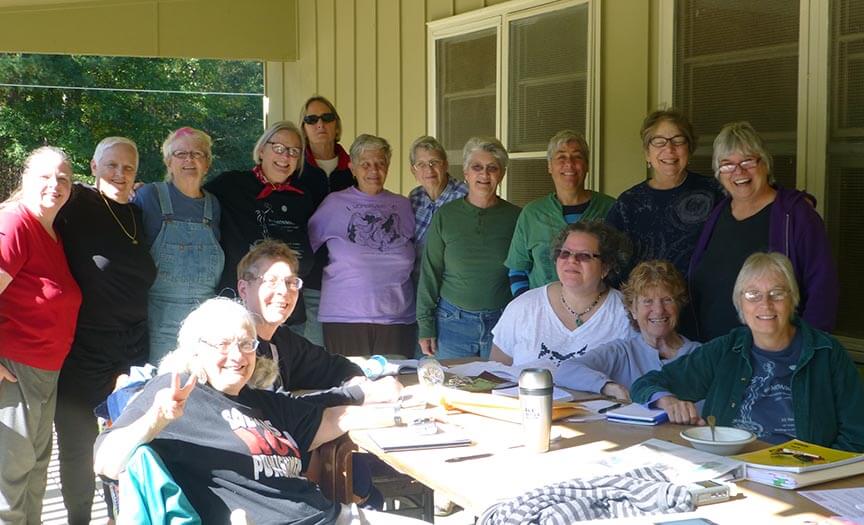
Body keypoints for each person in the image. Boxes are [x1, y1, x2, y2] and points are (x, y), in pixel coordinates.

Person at [93, 297, 427, 524]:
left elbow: (337, 416)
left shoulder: (263, 403)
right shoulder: (176, 393)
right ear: (196, 350)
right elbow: (106, 463)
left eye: (246, 343)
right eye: (222, 344)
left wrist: (406, 411)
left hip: (326, 515)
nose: (237, 355)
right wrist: (155, 419)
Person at [632, 253, 864, 450]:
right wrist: (668, 401)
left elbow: (857, 433)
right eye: (753, 295)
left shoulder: (826, 353)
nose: (766, 304)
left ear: (793, 299)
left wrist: (819, 470)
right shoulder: (726, 349)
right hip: (731, 466)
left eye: (777, 293)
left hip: (802, 474)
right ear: (739, 303)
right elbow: (645, 384)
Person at [54, 137, 158, 524]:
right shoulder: (76, 202)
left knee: (129, 439)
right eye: (111, 165)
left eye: (128, 167)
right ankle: (79, 518)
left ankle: (121, 516)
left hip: (132, 348)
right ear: (94, 167)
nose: (120, 173)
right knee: (78, 445)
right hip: (83, 348)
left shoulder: (138, 213)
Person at [686, 122, 839, 342]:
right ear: (719, 173)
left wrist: (807, 349)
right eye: (727, 165)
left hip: (775, 357)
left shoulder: (795, 215)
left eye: (747, 161)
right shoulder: (716, 214)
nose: (738, 172)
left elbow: (823, 288)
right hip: (716, 353)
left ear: (765, 163)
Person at [0, 147, 82, 524]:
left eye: (63, 178)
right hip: (14, 370)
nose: (55, 185)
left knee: (33, 472)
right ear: (25, 179)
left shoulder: (50, 231)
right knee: (8, 482)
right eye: (45, 177)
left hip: (45, 371)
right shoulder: (15, 222)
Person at [237, 239, 402, 405]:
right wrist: (359, 394)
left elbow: (335, 367)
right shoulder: (233, 342)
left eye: (291, 282)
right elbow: (275, 409)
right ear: (243, 289)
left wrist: (356, 381)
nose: (283, 291)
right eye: (271, 281)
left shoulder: (283, 340)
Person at [205, 120, 328, 329]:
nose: (285, 156)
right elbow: (191, 196)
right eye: (278, 148)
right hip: (241, 313)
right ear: (261, 150)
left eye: (294, 151)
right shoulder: (231, 185)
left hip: (288, 315)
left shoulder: (303, 197)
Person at [309, 134, 416, 357]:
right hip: (344, 318)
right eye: (365, 164)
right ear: (352, 168)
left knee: (398, 386)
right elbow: (305, 250)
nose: (373, 171)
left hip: (397, 318)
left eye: (380, 163)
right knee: (352, 386)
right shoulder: (334, 204)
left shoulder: (404, 205)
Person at [416, 137, 520, 359]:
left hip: (502, 324)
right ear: (466, 173)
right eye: (477, 167)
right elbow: (430, 273)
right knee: (452, 391)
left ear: (501, 174)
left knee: (500, 391)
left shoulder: (516, 217)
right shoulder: (445, 216)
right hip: (452, 323)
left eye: (492, 168)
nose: (484, 174)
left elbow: (524, 270)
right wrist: (425, 325)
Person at [133, 127, 224, 363]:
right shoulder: (148, 196)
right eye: (181, 154)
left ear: (208, 163)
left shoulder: (214, 204)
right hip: (159, 318)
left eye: (198, 154)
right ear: (168, 162)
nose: (189, 160)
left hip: (206, 318)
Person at [490, 221, 634, 367]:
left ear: (606, 266)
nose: (571, 260)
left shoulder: (627, 313)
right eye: (564, 253)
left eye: (584, 255)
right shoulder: (523, 307)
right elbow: (496, 373)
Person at [554, 260, 700, 401]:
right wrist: (610, 387)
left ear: (678, 306)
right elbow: (565, 371)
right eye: (647, 301)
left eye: (667, 300)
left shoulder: (700, 354)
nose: (658, 310)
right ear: (633, 310)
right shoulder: (623, 351)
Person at [605, 109, 724, 277]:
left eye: (678, 141)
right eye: (659, 142)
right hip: (645, 301)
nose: (669, 149)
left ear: (690, 149)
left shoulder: (715, 193)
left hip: (703, 300)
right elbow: (610, 261)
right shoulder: (628, 203)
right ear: (647, 153)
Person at [505, 130, 615, 297]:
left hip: (596, 311)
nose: (569, 164)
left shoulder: (611, 209)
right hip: (543, 314)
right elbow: (517, 269)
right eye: (561, 157)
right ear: (550, 166)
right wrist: (529, 307)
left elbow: (620, 267)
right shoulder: (532, 214)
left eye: (577, 157)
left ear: (586, 165)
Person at [296, 96, 355, 346]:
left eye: (327, 118)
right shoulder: (295, 169)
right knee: (314, 351)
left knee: (347, 354)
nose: (320, 124)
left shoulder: (354, 168)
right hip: (311, 281)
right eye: (311, 119)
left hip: (350, 282)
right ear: (304, 128)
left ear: (337, 125)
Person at [407, 135, 468, 254]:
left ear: (445, 165)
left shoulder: (465, 196)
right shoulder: (414, 197)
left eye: (434, 162)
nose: (429, 170)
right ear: (413, 171)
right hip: (416, 272)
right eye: (421, 164)